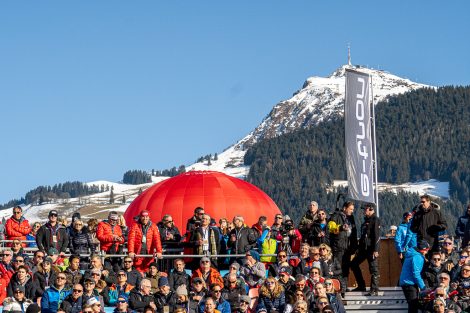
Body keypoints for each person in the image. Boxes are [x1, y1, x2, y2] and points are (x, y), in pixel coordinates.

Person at [350, 203, 381, 295]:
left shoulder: (375, 219)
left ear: (371, 209)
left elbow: (377, 236)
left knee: (373, 269)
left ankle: (374, 289)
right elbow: (364, 236)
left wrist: (376, 250)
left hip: (371, 249)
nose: (364, 211)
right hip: (363, 249)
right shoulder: (366, 221)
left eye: (365, 209)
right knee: (354, 264)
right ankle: (361, 286)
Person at [327, 201, 358, 293]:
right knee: (338, 267)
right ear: (344, 208)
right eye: (350, 209)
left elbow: (354, 232)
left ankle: (344, 286)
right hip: (338, 246)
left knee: (346, 267)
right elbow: (330, 227)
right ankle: (338, 286)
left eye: (353, 209)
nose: (352, 211)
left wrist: (354, 245)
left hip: (347, 247)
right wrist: (340, 227)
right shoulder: (336, 216)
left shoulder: (351, 218)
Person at [399, 240, 431, 313]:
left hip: (406, 282)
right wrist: (423, 287)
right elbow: (416, 273)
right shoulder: (417, 257)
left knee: (414, 305)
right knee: (413, 306)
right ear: (423, 250)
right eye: (427, 250)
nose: (427, 252)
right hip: (409, 283)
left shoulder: (412, 253)